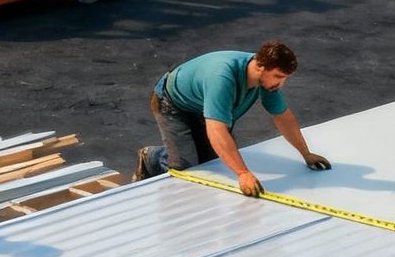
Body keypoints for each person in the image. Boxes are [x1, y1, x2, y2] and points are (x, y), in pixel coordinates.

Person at [135, 40, 330, 195]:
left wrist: (306, 154)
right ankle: (152, 158)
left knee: (212, 165)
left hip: (203, 106)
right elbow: (217, 129)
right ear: (261, 67)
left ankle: (176, 150)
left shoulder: (267, 82)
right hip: (173, 103)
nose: (281, 84)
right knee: (186, 169)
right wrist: (243, 173)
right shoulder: (223, 78)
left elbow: (283, 117)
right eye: (279, 77)